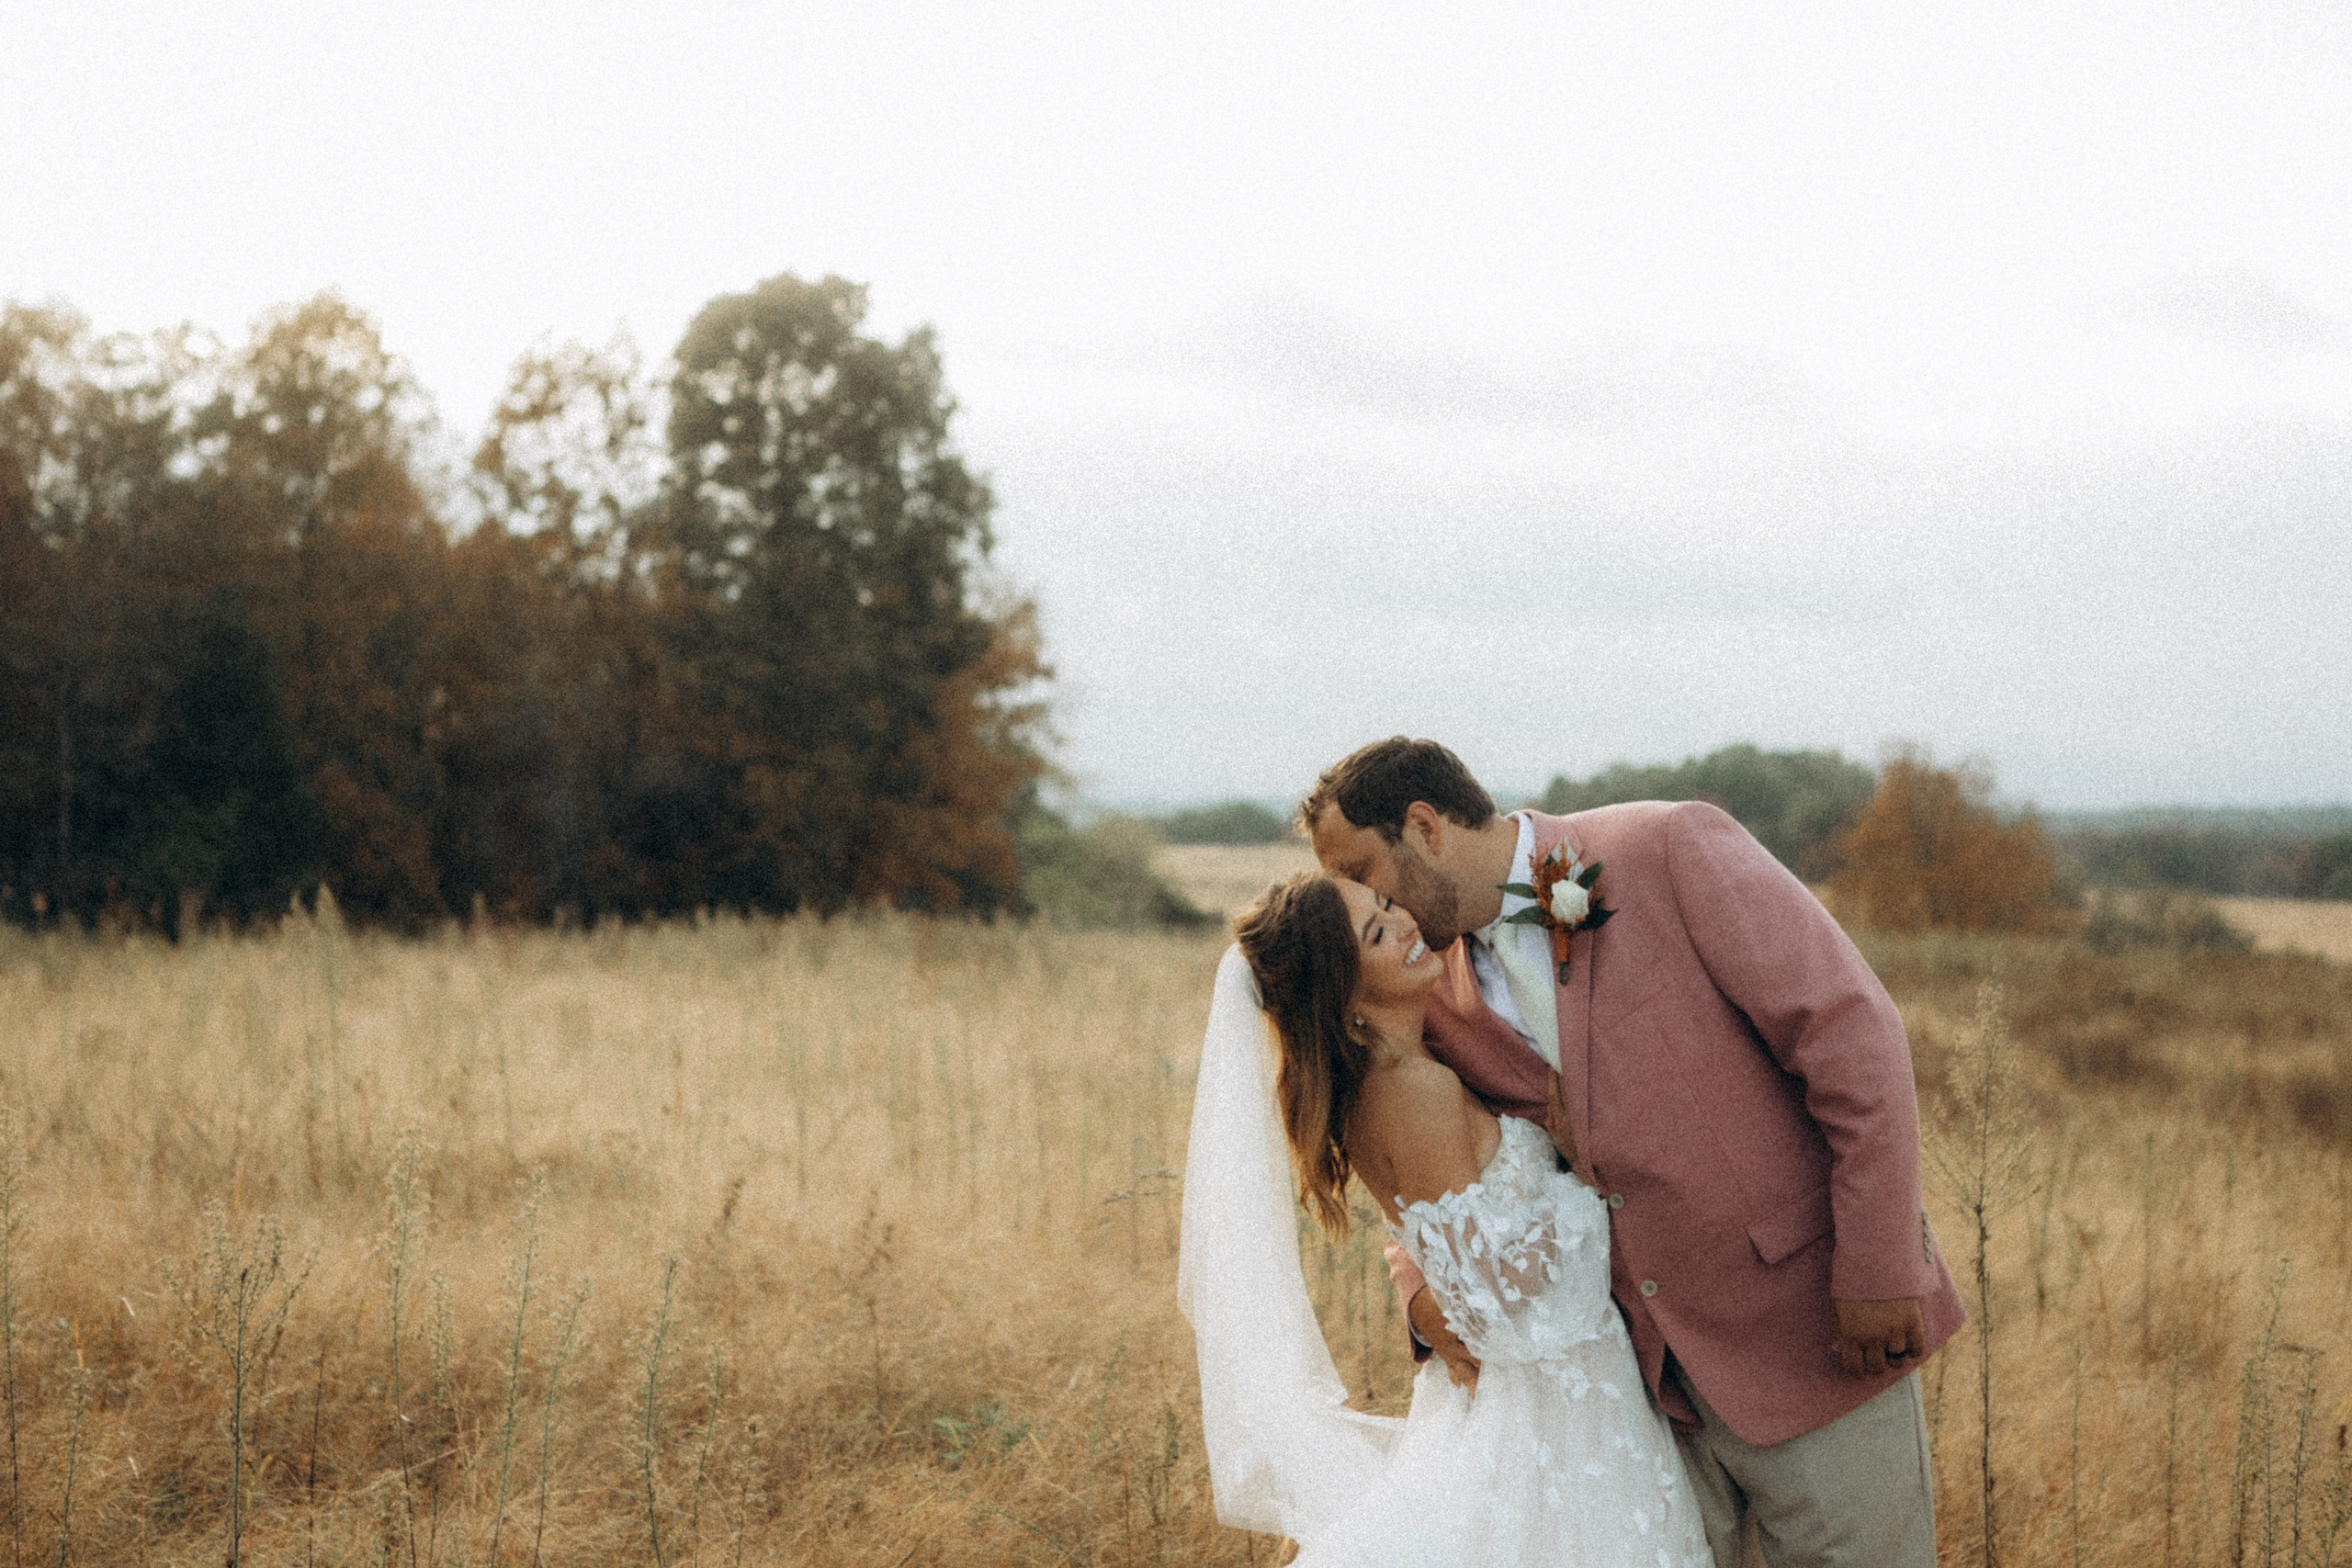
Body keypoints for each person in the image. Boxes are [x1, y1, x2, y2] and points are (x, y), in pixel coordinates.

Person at [1300, 738, 1966, 1568]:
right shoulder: (1426, 989)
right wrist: (1419, 1297)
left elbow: (1852, 1036)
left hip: (1811, 1336)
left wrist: (1880, 1264)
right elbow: (1428, 1175)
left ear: (1426, 828)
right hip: (1640, 1408)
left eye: (1359, 870)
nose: (1355, 900)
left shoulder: (1669, 846)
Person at [1177, 872, 1713, 1568]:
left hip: (1549, 1390)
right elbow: (1496, 1305)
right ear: (1344, 994)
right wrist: (1583, 1179)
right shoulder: (1414, 1089)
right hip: (1548, 1411)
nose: (1404, 924)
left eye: (1387, 905)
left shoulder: (1390, 1078)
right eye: (1377, 933)